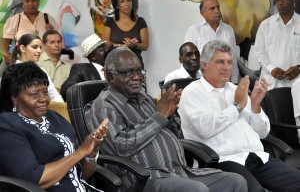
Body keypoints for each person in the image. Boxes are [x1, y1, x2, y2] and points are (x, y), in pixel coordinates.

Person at [85, 47, 247, 192]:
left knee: (235, 182)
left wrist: (171, 115)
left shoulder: (144, 98)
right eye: (128, 72)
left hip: (179, 171)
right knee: (197, 189)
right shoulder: (105, 105)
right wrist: (160, 116)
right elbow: (121, 147)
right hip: (144, 179)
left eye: (139, 71)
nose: (136, 77)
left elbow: (175, 134)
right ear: (110, 76)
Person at [178, 40, 300, 192]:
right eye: (220, 62)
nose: (227, 67)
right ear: (204, 64)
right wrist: (237, 107)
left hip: (257, 157)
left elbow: (263, 133)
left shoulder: (236, 90)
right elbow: (204, 128)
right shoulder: (192, 93)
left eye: (229, 62)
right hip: (224, 160)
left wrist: (255, 106)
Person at [0, 61, 109, 191]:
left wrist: (91, 153)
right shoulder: (7, 126)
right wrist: (81, 152)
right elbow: (34, 180)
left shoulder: (55, 118)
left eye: (45, 92)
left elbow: (81, 175)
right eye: (35, 94)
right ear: (15, 97)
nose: (44, 99)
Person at [254, 0, 300, 90]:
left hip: (296, 84)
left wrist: (299, 68)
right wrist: (271, 68)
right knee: (269, 107)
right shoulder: (266, 25)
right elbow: (259, 51)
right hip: (270, 83)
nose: (281, 2)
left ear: (293, 0)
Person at [184, 0, 239, 83]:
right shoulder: (194, 30)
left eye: (218, 7)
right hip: (202, 83)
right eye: (212, 8)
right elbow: (187, 59)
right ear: (202, 13)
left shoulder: (228, 30)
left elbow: (234, 58)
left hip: (224, 83)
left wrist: (235, 82)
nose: (217, 11)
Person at [1, 0, 58, 67]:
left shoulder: (48, 19)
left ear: (38, 2)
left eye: (34, 0)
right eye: (27, 1)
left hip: (45, 64)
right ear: (22, 3)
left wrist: (52, 33)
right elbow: (6, 41)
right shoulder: (15, 20)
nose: (31, 3)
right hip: (22, 64)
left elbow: (57, 42)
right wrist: (6, 54)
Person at [102, 0, 149, 68]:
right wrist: (122, 46)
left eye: (129, 0)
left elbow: (145, 45)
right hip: (115, 67)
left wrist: (135, 45)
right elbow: (105, 44)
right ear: (116, 5)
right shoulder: (109, 22)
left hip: (136, 67)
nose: (127, 4)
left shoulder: (140, 21)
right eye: (122, 1)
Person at [12, 33, 64, 102]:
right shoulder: (12, 71)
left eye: (40, 47)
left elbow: (54, 96)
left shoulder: (41, 70)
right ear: (22, 48)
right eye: (34, 47)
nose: (39, 51)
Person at [61, 34, 113, 101]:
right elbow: (65, 92)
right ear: (93, 57)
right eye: (102, 50)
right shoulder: (81, 69)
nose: (106, 52)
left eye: (106, 49)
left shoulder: (114, 68)